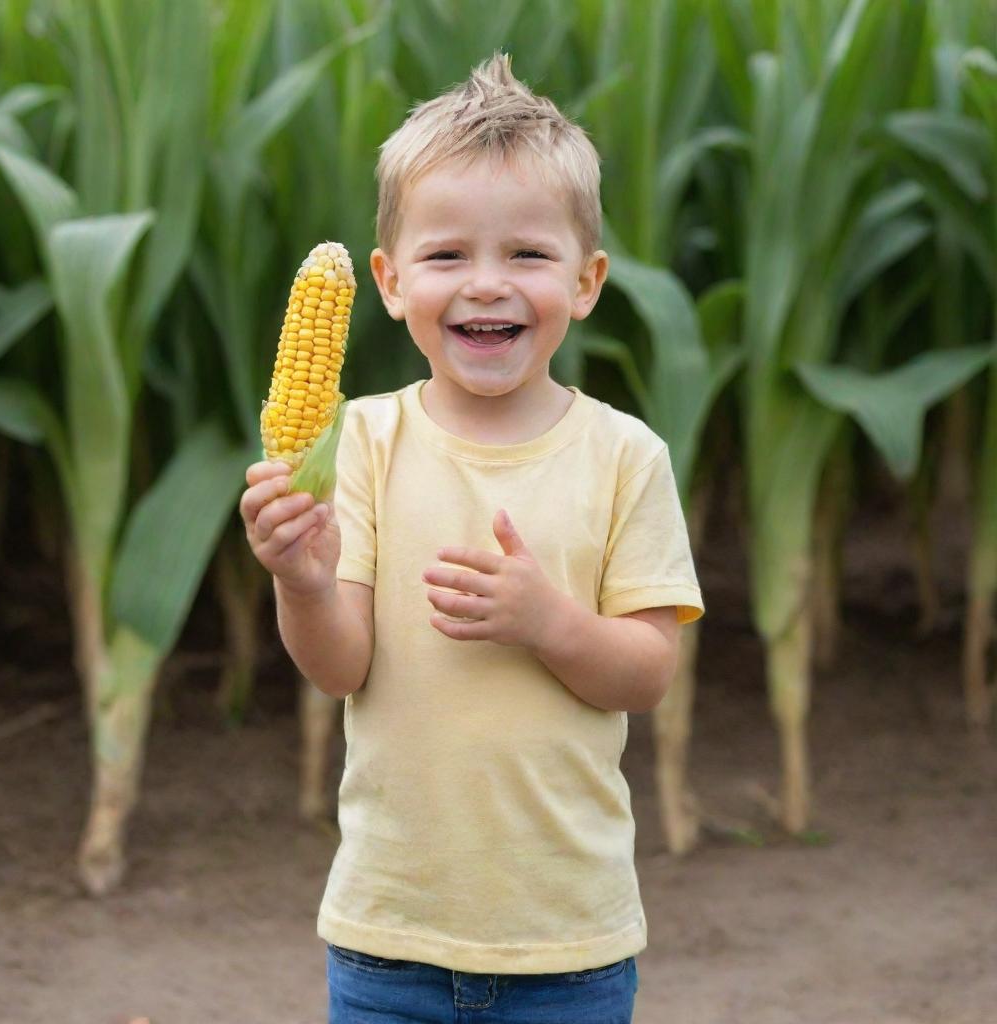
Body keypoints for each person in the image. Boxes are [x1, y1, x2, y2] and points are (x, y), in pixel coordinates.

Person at [240, 51, 704, 1024]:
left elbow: (645, 673)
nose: (486, 285)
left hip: (565, 943)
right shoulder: (358, 437)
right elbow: (338, 668)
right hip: (388, 938)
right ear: (391, 280)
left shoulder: (625, 456)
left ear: (585, 281)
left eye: (527, 256)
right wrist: (303, 582)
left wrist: (547, 621)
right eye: (447, 256)